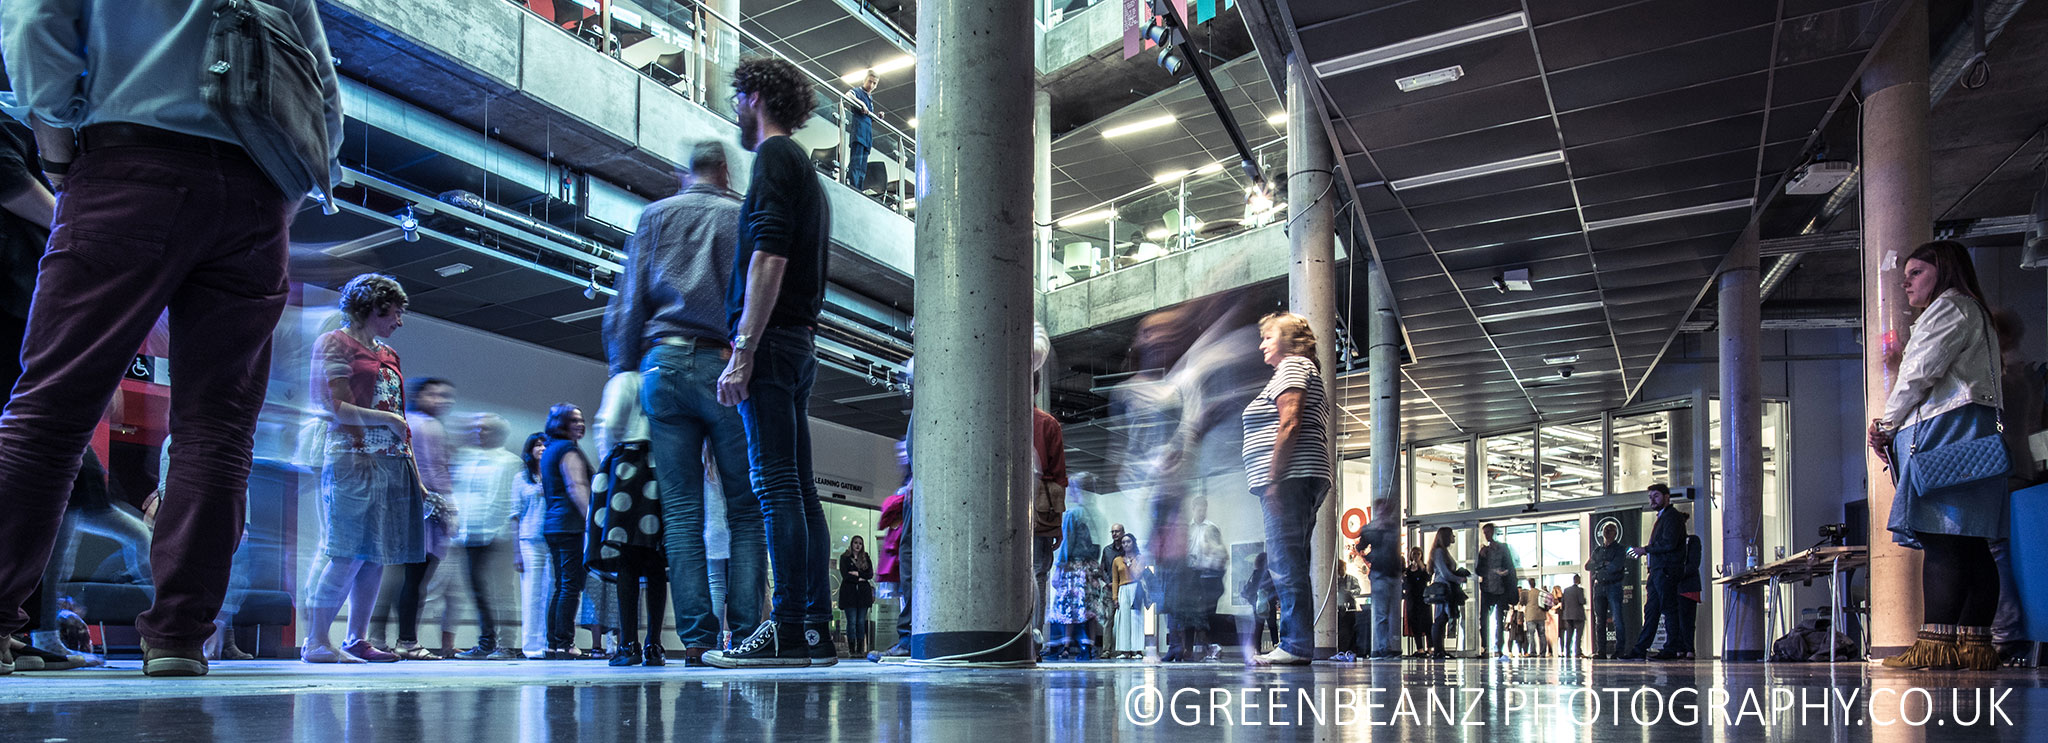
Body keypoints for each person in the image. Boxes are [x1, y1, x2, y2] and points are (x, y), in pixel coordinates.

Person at [0, 0, 341, 678]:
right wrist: (280, 193)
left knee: (49, 413)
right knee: (218, 431)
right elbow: (323, 99)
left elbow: (38, 24)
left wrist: (61, 154)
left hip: (126, 164)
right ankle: (180, 637)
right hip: (254, 200)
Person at [604, 138, 764, 668]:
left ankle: (694, 640)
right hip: (724, 365)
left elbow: (630, 299)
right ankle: (742, 636)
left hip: (663, 365)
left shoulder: (655, 216)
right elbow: (754, 293)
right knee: (745, 509)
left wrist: (624, 368)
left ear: (684, 173)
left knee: (681, 512)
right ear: (723, 170)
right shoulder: (741, 217)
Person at [708, 56, 834, 669]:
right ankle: (813, 629)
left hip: (774, 342)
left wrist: (743, 351)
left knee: (776, 486)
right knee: (800, 489)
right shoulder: (803, 169)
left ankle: (783, 627)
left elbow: (769, 256)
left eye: (737, 98)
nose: (735, 110)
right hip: (798, 343)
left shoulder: (775, 159)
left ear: (754, 96)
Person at [1867, 241, 2010, 671]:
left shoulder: (1950, 309)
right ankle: (1974, 643)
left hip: (1945, 431)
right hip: (1974, 432)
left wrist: (1886, 425)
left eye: (1916, 273)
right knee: (1970, 543)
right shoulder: (1972, 310)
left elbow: (1917, 376)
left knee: (1941, 536)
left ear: (1942, 271)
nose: (1906, 283)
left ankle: (1935, 643)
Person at [300, 275, 425, 666]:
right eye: (397, 311)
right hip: (352, 457)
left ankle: (357, 638)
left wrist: (416, 477)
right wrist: (384, 421)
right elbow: (330, 405)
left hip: (391, 460)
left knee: (375, 556)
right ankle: (317, 640)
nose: (400, 321)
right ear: (374, 306)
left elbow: (399, 418)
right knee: (346, 552)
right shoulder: (335, 343)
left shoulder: (387, 353)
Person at [1240, 312, 1331, 666]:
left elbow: (1289, 422)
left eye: (1268, 337)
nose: (1262, 343)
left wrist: (1274, 477)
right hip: (1301, 476)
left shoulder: (1293, 366)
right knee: (1291, 560)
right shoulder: (1301, 368)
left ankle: (1294, 645)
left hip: (1290, 478)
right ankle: (1297, 643)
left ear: (1290, 341)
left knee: (1285, 562)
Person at [371, 377, 458, 660]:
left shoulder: (406, 424)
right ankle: (408, 640)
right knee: (415, 581)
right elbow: (435, 473)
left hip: (402, 508)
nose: (441, 401)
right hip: (427, 511)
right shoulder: (429, 427)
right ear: (419, 395)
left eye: (445, 396)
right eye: (435, 394)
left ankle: (377, 638)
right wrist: (449, 511)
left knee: (394, 579)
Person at [587, 372, 668, 667]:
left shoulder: (626, 378)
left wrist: (610, 456)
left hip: (628, 465)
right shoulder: (662, 374)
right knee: (657, 560)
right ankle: (654, 645)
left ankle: (628, 644)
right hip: (662, 465)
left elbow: (608, 423)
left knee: (628, 560)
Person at [1990, 308, 2045, 666]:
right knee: (2010, 553)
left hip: (2004, 470)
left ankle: (2008, 633)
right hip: (2022, 469)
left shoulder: (2008, 378)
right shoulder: (2026, 375)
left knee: (1997, 552)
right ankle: (2012, 632)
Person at [450, 414, 524, 660]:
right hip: (470, 536)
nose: (479, 433)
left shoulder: (510, 462)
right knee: (479, 592)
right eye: (476, 429)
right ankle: (486, 642)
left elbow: (507, 501)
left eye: (485, 429)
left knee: (502, 591)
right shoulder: (466, 459)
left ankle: (507, 645)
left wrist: (502, 532)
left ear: (498, 433)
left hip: (499, 536)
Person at [540, 404, 595, 659]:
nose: (581, 424)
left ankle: (554, 643)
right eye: (575, 420)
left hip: (553, 524)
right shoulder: (568, 450)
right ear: (561, 424)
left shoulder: (550, 449)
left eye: (582, 420)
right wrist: (592, 521)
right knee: (570, 586)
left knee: (561, 585)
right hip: (569, 524)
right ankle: (565, 643)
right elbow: (576, 486)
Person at [1620, 483, 1687, 660]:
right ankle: (1640, 649)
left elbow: (1669, 543)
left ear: (1667, 497)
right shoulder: (1663, 517)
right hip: (1658, 571)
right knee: (1651, 610)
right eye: (1650, 497)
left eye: (1656, 496)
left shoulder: (1672, 517)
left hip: (1666, 570)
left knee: (1668, 609)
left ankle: (1671, 648)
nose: (1652, 500)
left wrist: (1645, 550)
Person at [510, 433, 552, 659]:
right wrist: (516, 552)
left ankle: (548, 644)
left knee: (551, 595)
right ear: (530, 449)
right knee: (532, 595)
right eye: (537, 444)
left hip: (553, 542)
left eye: (545, 444)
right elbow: (514, 516)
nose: (542, 448)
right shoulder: (521, 479)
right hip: (530, 542)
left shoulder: (556, 475)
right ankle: (531, 646)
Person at [1045, 516, 1105, 661]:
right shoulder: (1088, 544)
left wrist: (1059, 569)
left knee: (1070, 613)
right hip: (1086, 572)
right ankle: (1087, 647)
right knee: (1088, 613)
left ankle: (1066, 647)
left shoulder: (1071, 540)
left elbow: (1066, 552)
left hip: (1073, 572)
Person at [1357, 497, 1403, 659]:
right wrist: (1370, 558)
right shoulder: (1374, 529)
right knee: (1382, 613)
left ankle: (1386, 646)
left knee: (1388, 613)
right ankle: (1384, 647)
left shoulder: (1386, 528)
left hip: (1391, 573)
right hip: (1382, 574)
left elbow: (1361, 547)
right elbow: (1360, 547)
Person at [1585, 521, 1631, 658]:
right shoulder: (1598, 550)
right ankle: (1601, 651)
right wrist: (1603, 564)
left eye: (1610, 529)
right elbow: (1587, 566)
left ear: (1615, 533)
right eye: (1605, 529)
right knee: (1600, 620)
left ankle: (1619, 650)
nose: (1607, 531)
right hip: (1599, 587)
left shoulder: (1619, 549)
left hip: (1613, 586)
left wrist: (1599, 565)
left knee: (1617, 618)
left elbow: (1615, 567)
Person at [1474, 523, 1517, 657]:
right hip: (1488, 588)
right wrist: (1482, 557)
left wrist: (1505, 574)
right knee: (1484, 619)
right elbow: (1479, 570)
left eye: (1488, 532)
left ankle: (1498, 647)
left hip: (1500, 588)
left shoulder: (1503, 548)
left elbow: (1510, 566)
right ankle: (1485, 647)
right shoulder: (1484, 551)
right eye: (1485, 533)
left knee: (1499, 619)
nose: (1487, 535)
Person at [1425, 527, 1468, 659]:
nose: (1453, 538)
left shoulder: (1441, 552)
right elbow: (1445, 573)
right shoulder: (1439, 552)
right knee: (1440, 618)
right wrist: (1459, 579)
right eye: (1452, 535)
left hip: (1446, 587)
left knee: (1442, 618)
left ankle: (1440, 649)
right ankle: (1438, 649)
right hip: (1443, 589)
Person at [838, 537, 874, 658]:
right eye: (855, 543)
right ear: (851, 544)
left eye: (860, 543)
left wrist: (858, 574)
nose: (858, 545)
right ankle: (851, 649)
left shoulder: (866, 558)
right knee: (851, 622)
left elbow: (870, 574)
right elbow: (845, 575)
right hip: (849, 595)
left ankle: (860, 650)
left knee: (860, 622)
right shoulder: (844, 558)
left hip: (863, 595)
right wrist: (860, 579)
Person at [1111, 534, 1143, 659]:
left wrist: (1130, 564)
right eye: (1123, 542)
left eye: (1128, 541)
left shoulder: (1140, 558)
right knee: (1123, 620)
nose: (1126, 544)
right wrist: (1115, 597)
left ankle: (1138, 650)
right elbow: (1115, 579)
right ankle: (1125, 650)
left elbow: (1138, 574)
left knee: (1136, 618)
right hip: (1123, 589)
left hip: (1136, 587)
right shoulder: (1117, 560)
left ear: (1133, 543)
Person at [844, 70, 878, 190]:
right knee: (856, 163)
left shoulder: (870, 98)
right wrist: (861, 103)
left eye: (874, 83)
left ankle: (858, 188)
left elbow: (868, 118)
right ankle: (853, 185)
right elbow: (848, 95)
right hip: (859, 133)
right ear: (865, 80)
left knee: (863, 167)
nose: (872, 85)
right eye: (870, 82)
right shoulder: (858, 92)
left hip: (867, 136)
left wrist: (877, 117)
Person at [1674, 534, 1703, 660]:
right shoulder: (1673, 542)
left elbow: (1693, 564)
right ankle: (1681, 648)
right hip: (1675, 586)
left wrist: (1675, 575)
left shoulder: (1692, 540)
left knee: (1686, 619)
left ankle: (1689, 648)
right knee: (1676, 619)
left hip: (1687, 586)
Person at [1242, 552, 1277, 653]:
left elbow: (1253, 588)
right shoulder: (1269, 573)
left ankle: (1257, 649)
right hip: (1269, 602)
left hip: (1257, 603)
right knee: (1272, 626)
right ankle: (1276, 646)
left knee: (1258, 627)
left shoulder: (1255, 574)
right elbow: (1272, 588)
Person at [1403, 547, 1430, 657]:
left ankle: (1430, 647)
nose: (1416, 556)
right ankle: (1420, 648)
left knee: (1427, 622)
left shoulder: (1424, 568)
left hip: (1422, 598)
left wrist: (1422, 567)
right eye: (1414, 554)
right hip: (1412, 599)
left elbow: (1427, 578)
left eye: (1418, 553)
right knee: (1415, 623)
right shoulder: (1408, 569)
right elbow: (1406, 582)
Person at [1558, 574, 1587, 658]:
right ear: (1579, 580)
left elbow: (1562, 604)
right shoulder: (1580, 590)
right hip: (1578, 615)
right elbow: (1582, 601)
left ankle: (1567, 652)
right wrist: (1585, 600)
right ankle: (1577, 651)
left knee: (1569, 634)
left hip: (1568, 615)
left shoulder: (1566, 590)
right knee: (1578, 635)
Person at [1520, 578, 1550, 657]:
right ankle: (1543, 653)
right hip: (1541, 616)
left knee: (1531, 634)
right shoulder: (1540, 592)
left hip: (1530, 616)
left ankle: (1533, 652)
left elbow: (1522, 602)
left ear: (1529, 584)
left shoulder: (1526, 593)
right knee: (1542, 635)